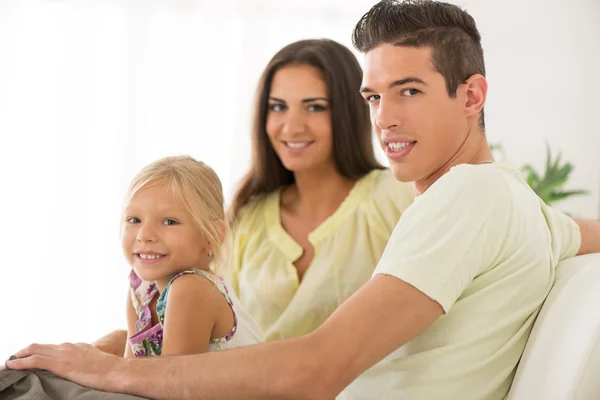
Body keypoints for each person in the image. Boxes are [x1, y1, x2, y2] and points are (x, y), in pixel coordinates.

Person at [7, 1, 600, 399]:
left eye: (409, 91)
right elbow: (580, 230)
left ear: (472, 94)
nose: (385, 118)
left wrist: (111, 369)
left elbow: (318, 368)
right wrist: (104, 354)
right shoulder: (516, 203)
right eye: (373, 97)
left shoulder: (470, 194)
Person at [92, 38, 415, 354]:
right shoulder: (248, 216)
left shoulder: (393, 195)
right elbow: (208, 332)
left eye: (315, 107)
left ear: (348, 112)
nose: (292, 127)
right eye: (278, 107)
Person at [120, 156, 263, 357]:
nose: (144, 235)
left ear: (212, 237)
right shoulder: (141, 288)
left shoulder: (192, 288)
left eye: (169, 222)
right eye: (134, 219)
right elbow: (128, 373)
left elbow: (167, 383)